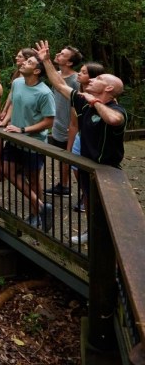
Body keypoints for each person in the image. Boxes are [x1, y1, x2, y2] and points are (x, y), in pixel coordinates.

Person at [35, 42, 126, 244]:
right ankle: (93, 233)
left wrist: (96, 103)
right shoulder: (83, 100)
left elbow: (113, 120)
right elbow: (59, 85)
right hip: (86, 165)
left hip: (106, 171)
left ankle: (114, 252)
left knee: (109, 211)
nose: (93, 79)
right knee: (89, 201)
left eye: (99, 78)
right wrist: (47, 61)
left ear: (109, 88)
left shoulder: (116, 110)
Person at [0, 55, 55, 230]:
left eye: (29, 62)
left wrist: (23, 130)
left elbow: (49, 121)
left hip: (33, 142)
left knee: (34, 179)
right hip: (14, 138)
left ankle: (36, 215)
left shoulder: (44, 93)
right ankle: (42, 206)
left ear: (36, 71)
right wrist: (4, 121)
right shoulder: (17, 83)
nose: (23, 63)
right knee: (7, 171)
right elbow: (14, 103)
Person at [69, 62, 106, 219]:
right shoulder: (77, 95)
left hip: (94, 147)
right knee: (79, 174)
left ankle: (95, 209)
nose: (78, 73)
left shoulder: (105, 102)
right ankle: (85, 196)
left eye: (83, 72)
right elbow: (74, 124)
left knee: (92, 181)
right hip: (79, 139)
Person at [43, 46, 82, 196]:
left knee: (74, 160)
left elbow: (78, 105)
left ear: (70, 62)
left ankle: (85, 193)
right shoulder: (57, 75)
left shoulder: (76, 80)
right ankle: (63, 185)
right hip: (58, 123)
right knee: (62, 156)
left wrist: (75, 127)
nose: (58, 54)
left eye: (63, 54)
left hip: (71, 125)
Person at [0, 47, 37, 123]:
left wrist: (7, 115)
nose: (16, 58)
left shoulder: (28, 77)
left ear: (27, 58)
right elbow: (12, 93)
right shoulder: (18, 73)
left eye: (20, 56)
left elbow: (17, 99)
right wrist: (5, 109)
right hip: (11, 108)